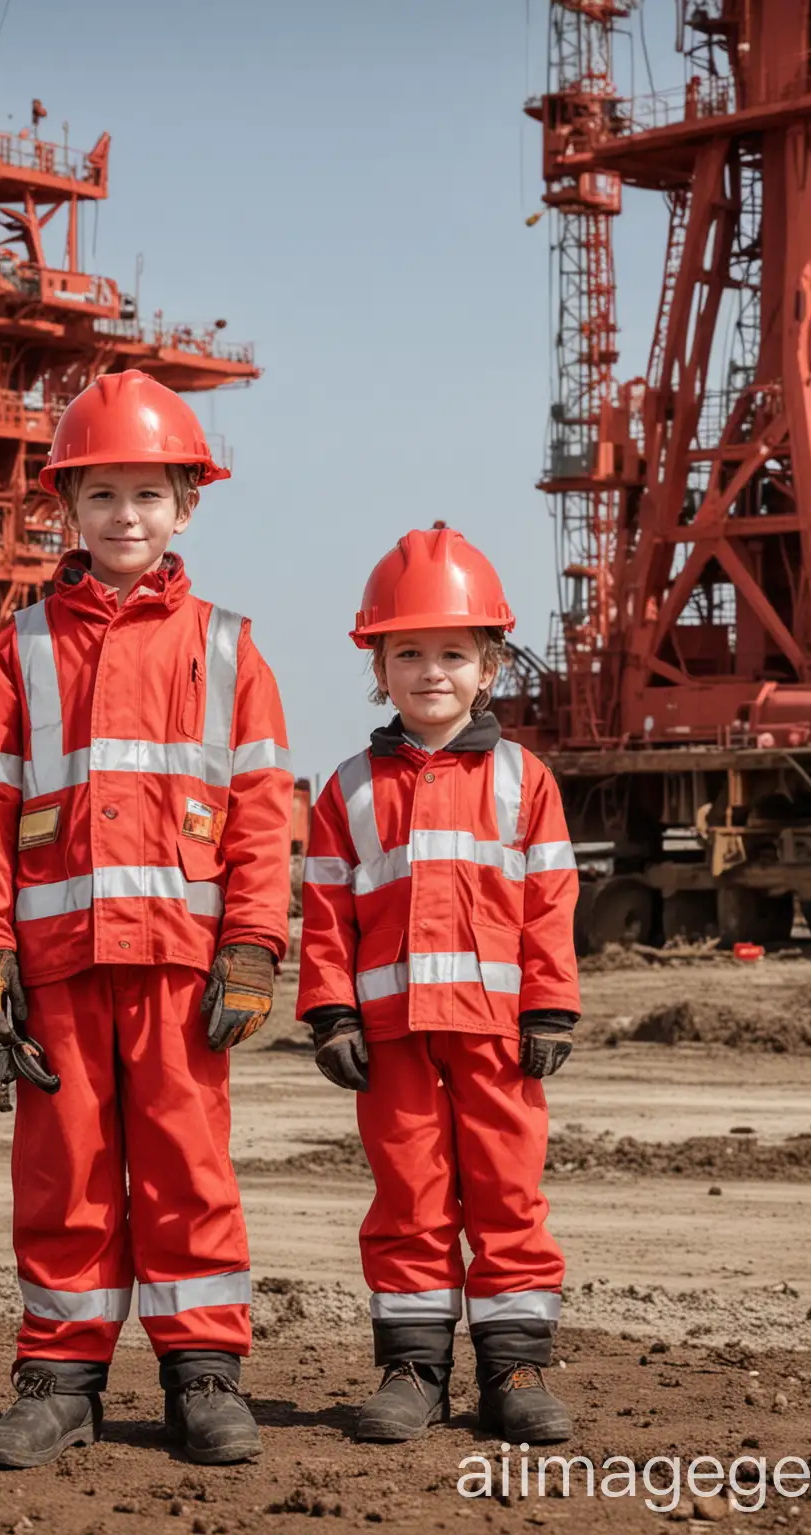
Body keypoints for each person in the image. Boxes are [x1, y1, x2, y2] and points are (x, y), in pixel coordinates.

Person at [0, 369, 293, 1469]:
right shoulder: (24, 645)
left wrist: (251, 947)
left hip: (185, 972)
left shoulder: (230, 648)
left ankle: (204, 1379)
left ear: (186, 506)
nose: (125, 517)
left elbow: (261, 816)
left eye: (147, 495)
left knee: (191, 1168)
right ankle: (58, 1380)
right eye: (102, 497)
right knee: (66, 1173)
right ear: (68, 509)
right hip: (55, 966)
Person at [296, 524, 582, 1445]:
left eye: (453, 654)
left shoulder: (525, 780)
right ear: (377, 667)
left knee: (507, 1195)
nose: (431, 672)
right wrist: (330, 1012)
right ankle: (413, 1371)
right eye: (408, 653)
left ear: (490, 666)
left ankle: (516, 1370)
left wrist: (551, 1003)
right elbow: (327, 911)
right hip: (391, 1039)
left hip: (500, 1036)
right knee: (410, 1198)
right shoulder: (345, 790)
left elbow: (550, 902)